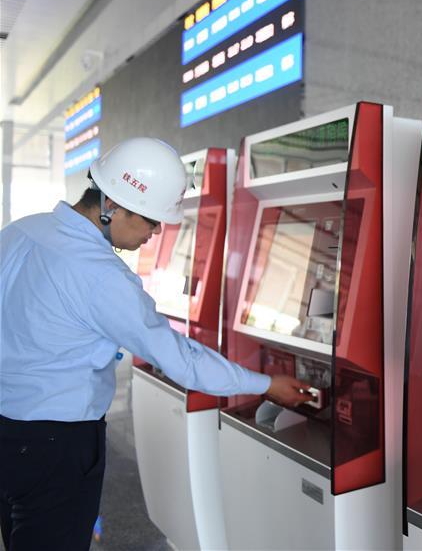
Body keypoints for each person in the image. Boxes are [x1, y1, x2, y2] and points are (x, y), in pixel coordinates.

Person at [0, 137, 311, 550]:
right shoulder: (102, 275)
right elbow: (181, 359)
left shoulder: (19, 232)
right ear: (111, 204)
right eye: (150, 219)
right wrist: (265, 384)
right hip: (56, 445)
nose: (157, 231)